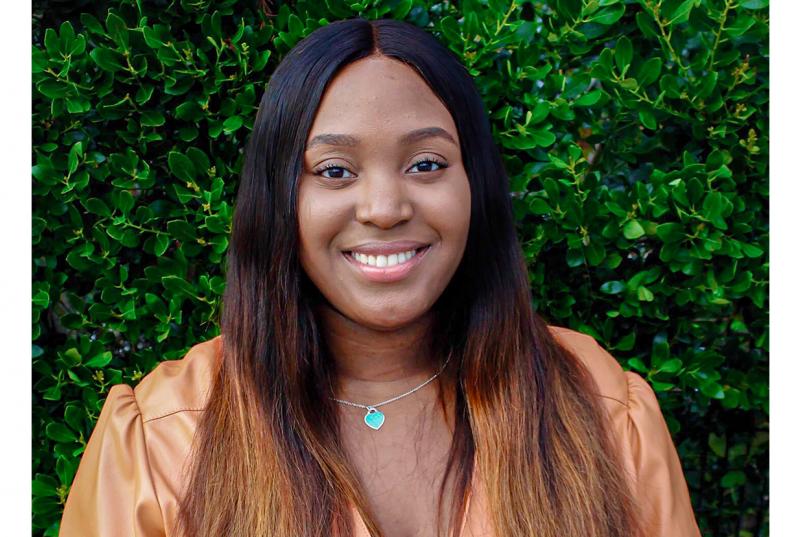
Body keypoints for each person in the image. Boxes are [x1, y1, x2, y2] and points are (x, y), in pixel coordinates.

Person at [59, 17, 701, 537]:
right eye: (335, 171)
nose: (385, 208)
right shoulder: (162, 440)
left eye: (426, 163)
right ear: (279, 200)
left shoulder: (602, 412)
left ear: (475, 185)